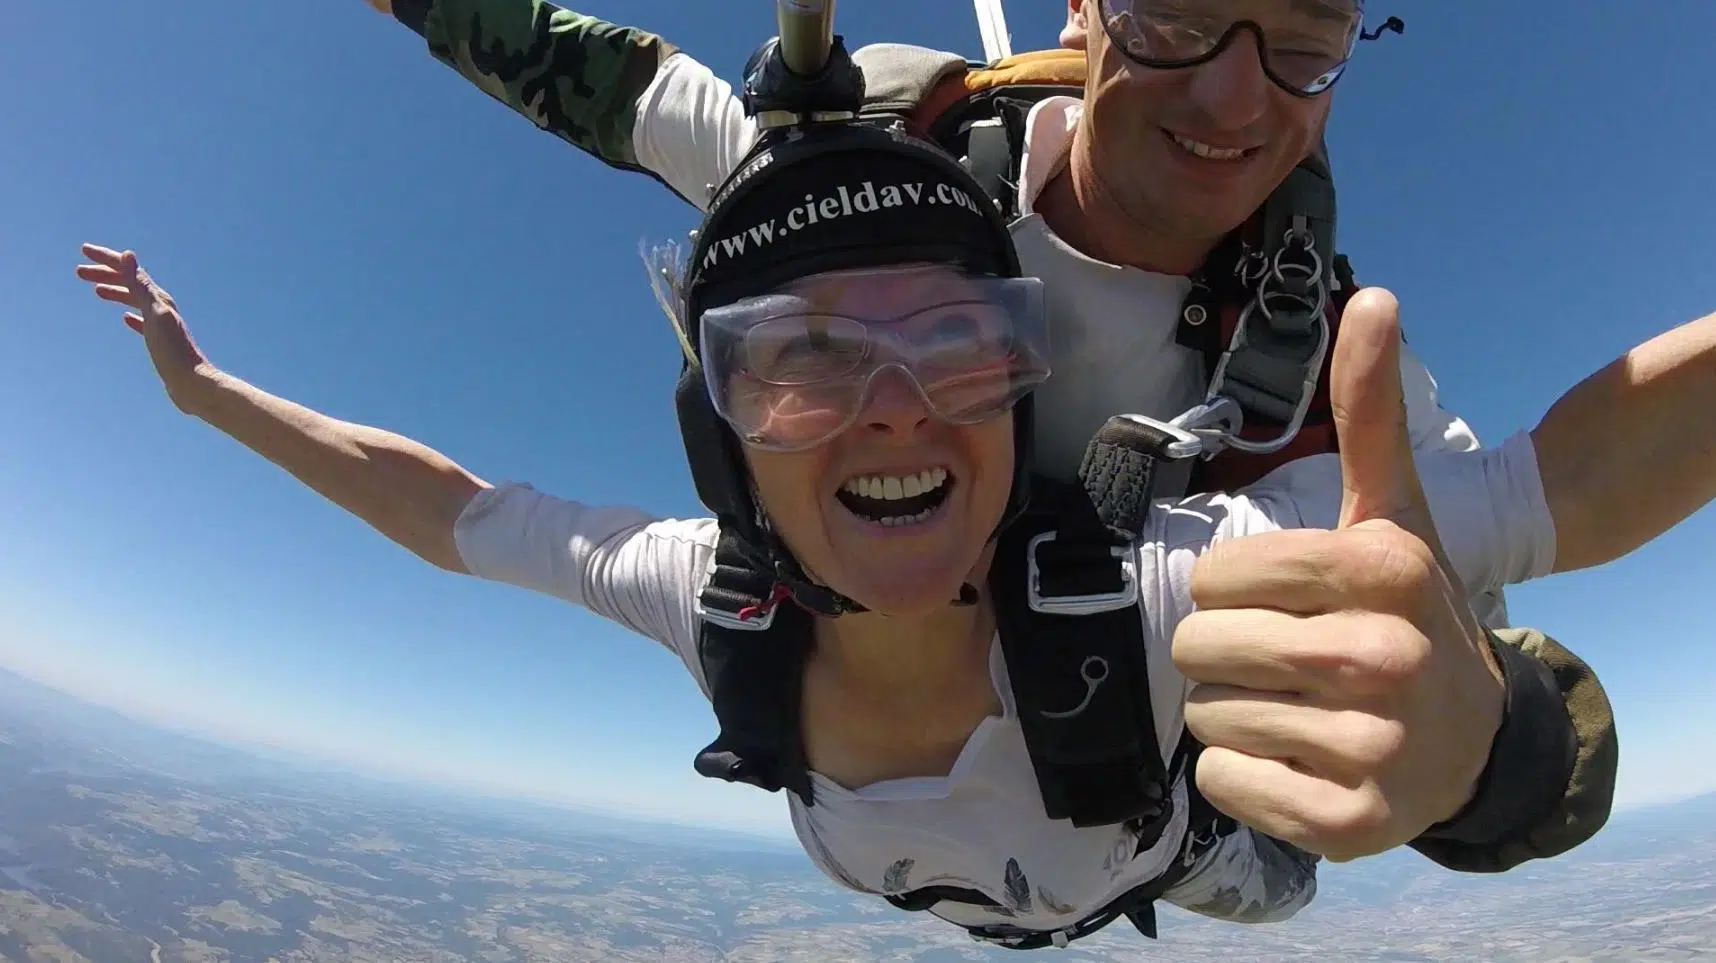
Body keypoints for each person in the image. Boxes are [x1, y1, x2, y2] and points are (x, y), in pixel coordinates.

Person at [71, 109, 1645, 949]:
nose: (894, 406)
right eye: (802, 361)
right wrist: (206, 398)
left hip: (1186, 857)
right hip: (1052, 876)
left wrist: (1483, 752)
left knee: (1271, 861)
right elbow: (452, 508)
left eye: (958, 345)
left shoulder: (1160, 583)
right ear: (724, 437)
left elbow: (1561, 481)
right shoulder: (713, 597)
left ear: (1020, 394)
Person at [348, 0, 1637, 870]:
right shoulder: (869, 180)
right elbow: (613, 83)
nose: (1240, 93)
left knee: (1248, 858)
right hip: (902, 758)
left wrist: (1490, 756)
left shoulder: (1339, 374)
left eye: (1309, 38)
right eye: (1178, 14)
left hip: (1134, 780)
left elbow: (1464, 615)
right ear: (1082, 13)